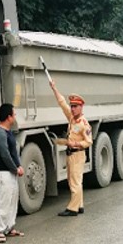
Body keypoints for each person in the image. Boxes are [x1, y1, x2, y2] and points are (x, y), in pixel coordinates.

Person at [49, 80, 93, 217]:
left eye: (75, 106)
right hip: (71, 154)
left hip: (77, 154)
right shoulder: (72, 118)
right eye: (72, 106)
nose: (72, 108)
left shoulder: (84, 124)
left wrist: (76, 144)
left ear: (81, 107)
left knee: (75, 181)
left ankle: (73, 209)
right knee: (72, 180)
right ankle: (79, 205)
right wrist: (54, 88)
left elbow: (89, 142)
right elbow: (62, 103)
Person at [0, 103, 25, 243]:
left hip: (11, 173)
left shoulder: (8, 132)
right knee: (3, 201)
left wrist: (19, 165)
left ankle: (9, 227)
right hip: (2, 173)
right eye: (14, 114)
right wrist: (15, 168)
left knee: (12, 201)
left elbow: (13, 152)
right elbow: (5, 154)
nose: (15, 117)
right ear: (8, 117)